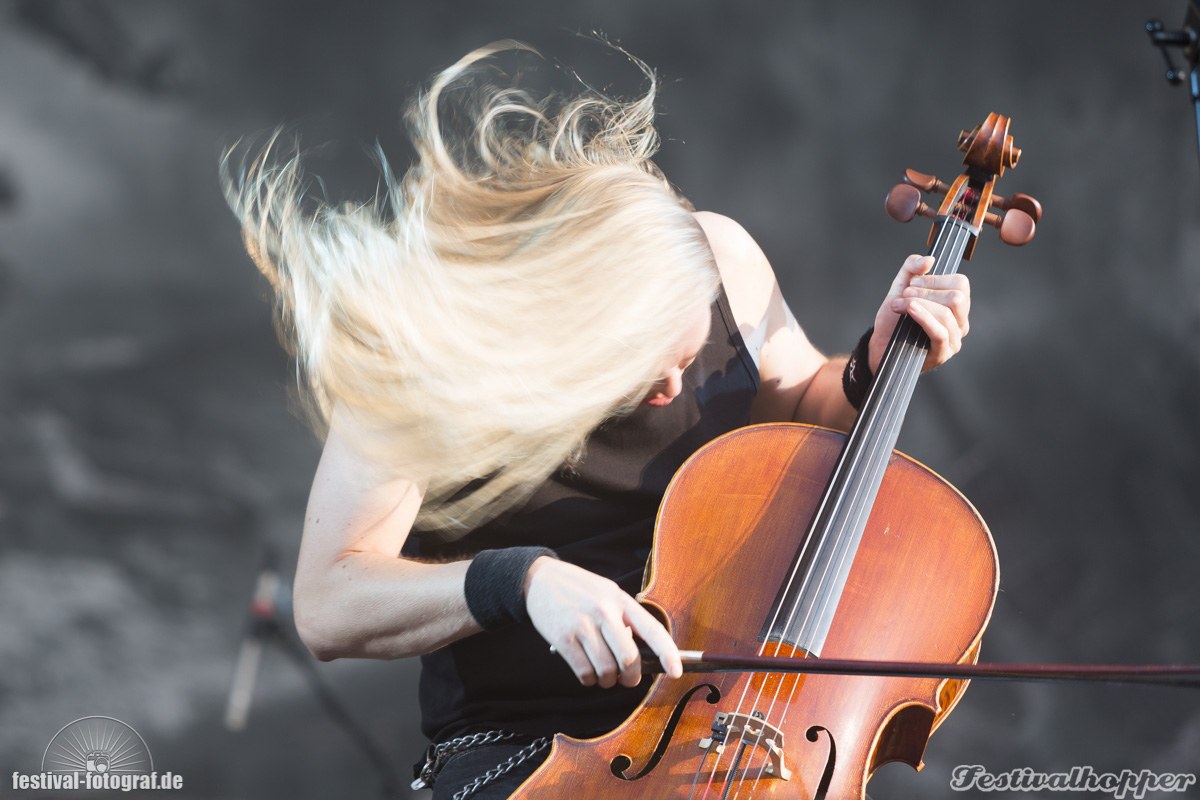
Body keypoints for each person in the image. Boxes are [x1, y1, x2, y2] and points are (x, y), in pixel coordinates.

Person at [222, 41, 970, 799]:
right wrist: (519, 581)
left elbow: (799, 408)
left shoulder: (716, 256)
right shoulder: (422, 353)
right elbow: (328, 604)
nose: (675, 387)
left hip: (726, 727)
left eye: (688, 357)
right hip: (526, 746)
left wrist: (868, 367)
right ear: (569, 330)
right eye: (648, 370)